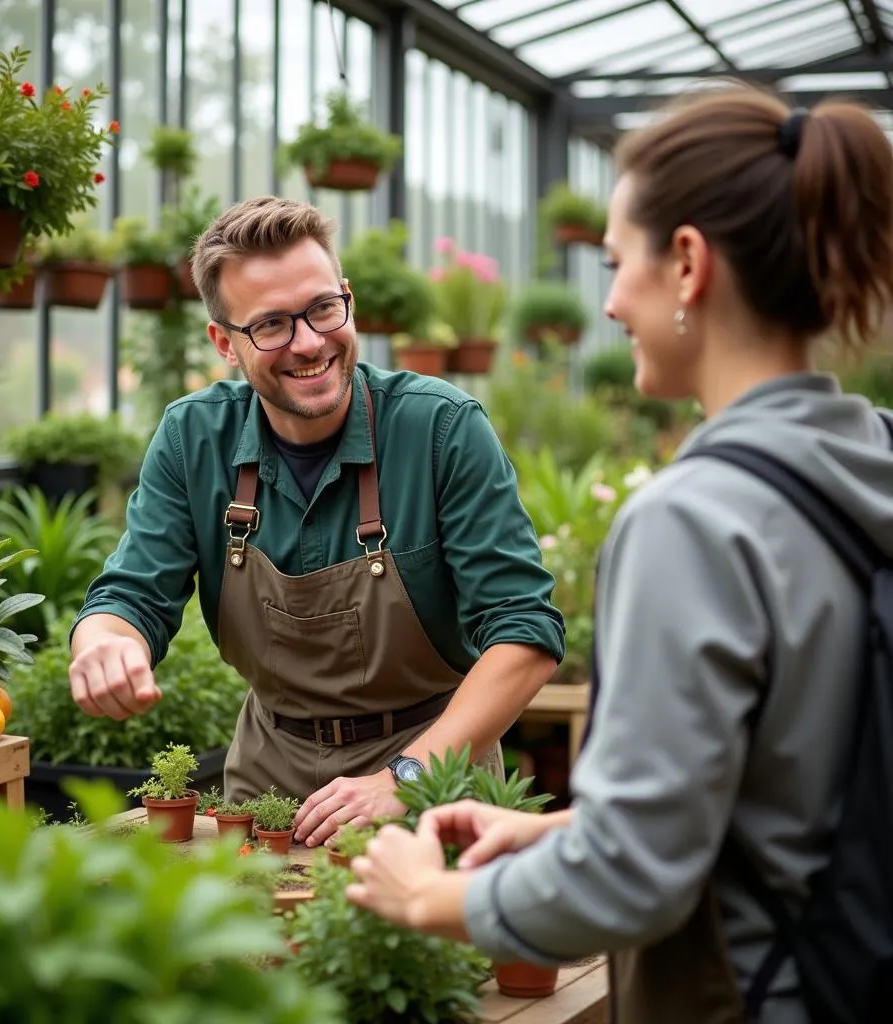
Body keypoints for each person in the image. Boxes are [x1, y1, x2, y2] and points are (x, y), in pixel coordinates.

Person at [344, 87, 893, 1022]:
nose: (606, 302)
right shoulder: (873, 457)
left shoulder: (696, 519)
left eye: (615, 262)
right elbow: (802, 782)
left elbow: (631, 885)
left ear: (686, 264)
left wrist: (426, 896)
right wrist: (563, 827)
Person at [68, 196, 565, 848]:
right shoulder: (195, 437)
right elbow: (132, 594)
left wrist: (404, 777)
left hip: (435, 773)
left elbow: (525, 633)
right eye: (271, 325)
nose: (309, 343)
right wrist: (105, 642)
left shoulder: (438, 428)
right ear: (224, 343)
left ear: (348, 299)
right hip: (270, 780)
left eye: (323, 309)